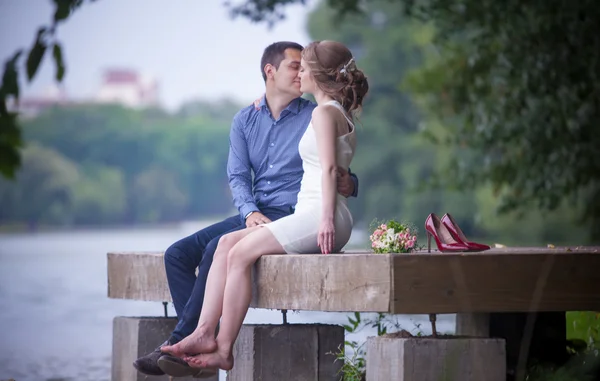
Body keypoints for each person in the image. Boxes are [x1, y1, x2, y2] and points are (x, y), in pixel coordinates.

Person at [133, 41, 359, 377]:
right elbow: (237, 176)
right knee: (178, 254)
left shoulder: (314, 112)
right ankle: (200, 338)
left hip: (294, 213)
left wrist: (349, 183)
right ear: (270, 72)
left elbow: (332, 165)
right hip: (257, 211)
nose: (300, 73)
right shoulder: (246, 119)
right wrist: (250, 211)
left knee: (219, 250)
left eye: (304, 67)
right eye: (293, 66)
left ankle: (194, 342)